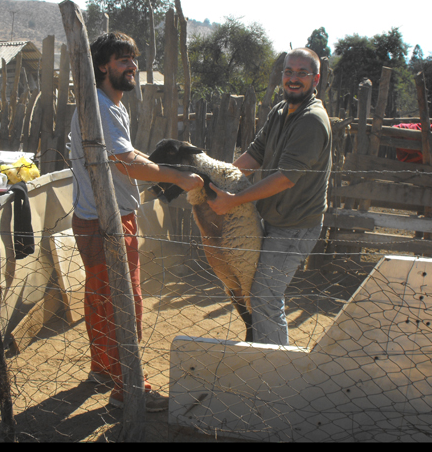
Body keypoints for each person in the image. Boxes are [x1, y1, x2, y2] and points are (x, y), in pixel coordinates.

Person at [70, 32, 203, 412]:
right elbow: (125, 162)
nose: (132, 66)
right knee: (124, 303)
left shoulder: (104, 104)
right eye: (122, 59)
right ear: (102, 66)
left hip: (91, 218)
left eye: (133, 59)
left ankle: (102, 369)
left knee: (100, 297)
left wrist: (162, 168)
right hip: (109, 223)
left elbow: (126, 154)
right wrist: (177, 177)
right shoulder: (102, 106)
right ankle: (128, 388)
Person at [207, 48, 332, 345]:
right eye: (289, 72)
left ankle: (276, 372)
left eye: (302, 73)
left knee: (264, 296)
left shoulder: (311, 121)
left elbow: (286, 178)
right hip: (274, 220)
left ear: (315, 79)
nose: (293, 79)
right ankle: (266, 360)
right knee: (257, 293)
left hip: (295, 226)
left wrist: (232, 200)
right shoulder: (280, 112)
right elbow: (254, 155)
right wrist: (215, 183)